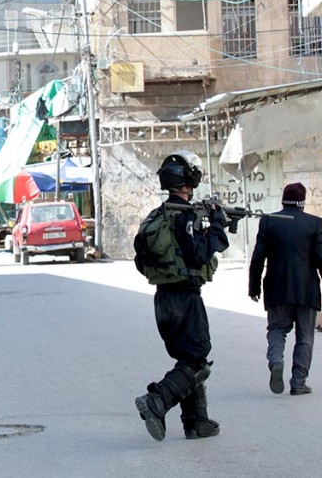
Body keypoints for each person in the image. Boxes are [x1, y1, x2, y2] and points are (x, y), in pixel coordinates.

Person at [133, 151, 229, 442]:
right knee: (197, 359)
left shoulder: (158, 215)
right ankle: (157, 401)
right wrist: (218, 228)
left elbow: (142, 261)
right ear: (190, 180)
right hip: (185, 299)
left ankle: (196, 422)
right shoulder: (185, 217)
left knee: (189, 358)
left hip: (164, 298)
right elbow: (198, 253)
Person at [249, 182, 322, 396]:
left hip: (276, 288)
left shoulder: (268, 221)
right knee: (305, 336)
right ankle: (298, 382)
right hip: (306, 289)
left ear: (283, 200)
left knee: (277, 329)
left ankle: (276, 361)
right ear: (303, 202)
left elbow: (258, 257)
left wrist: (254, 286)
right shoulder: (314, 223)